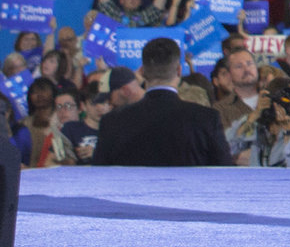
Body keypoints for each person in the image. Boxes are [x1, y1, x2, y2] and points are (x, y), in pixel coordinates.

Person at [95, 39, 233, 166]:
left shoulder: (112, 121)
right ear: (179, 71)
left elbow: (99, 176)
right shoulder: (207, 119)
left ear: (142, 72)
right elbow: (225, 173)